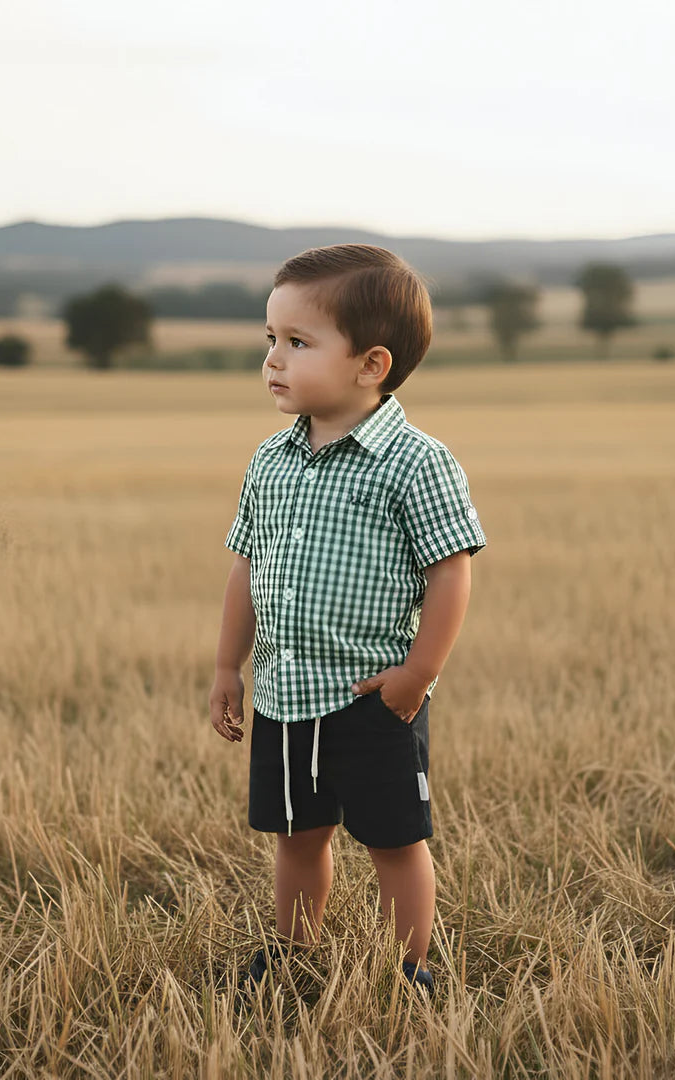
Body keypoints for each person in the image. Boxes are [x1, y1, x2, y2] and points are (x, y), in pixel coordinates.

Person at [209, 243, 486, 996]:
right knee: (297, 838)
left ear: (371, 365)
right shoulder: (271, 461)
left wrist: (418, 675)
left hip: (372, 696)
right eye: (270, 339)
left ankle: (411, 968)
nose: (273, 359)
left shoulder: (416, 462)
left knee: (398, 842)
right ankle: (293, 956)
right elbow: (245, 567)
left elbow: (450, 569)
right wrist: (228, 665)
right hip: (287, 693)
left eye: (297, 343)